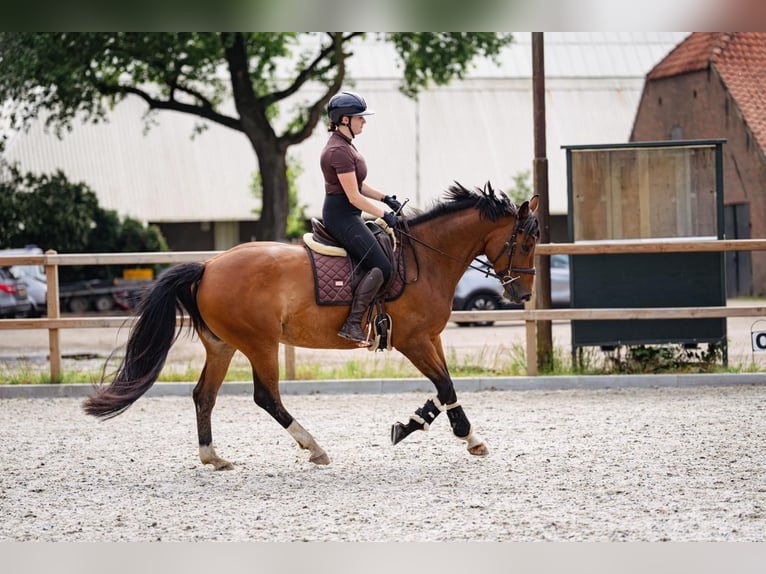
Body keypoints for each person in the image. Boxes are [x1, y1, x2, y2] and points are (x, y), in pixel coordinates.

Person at [320, 90, 402, 347]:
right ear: (344, 119)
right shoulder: (338, 151)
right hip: (342, 216)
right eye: (360, 118)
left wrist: (385, 197)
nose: (364, 121)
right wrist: (385, 215)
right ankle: (353, 323)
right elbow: (354, 197)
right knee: (383, 266)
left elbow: (359, 184)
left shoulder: (345, 145)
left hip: (348, 213)